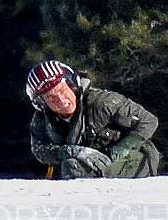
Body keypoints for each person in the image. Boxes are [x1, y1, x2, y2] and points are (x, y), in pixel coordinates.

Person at [26, 60, 160, 179]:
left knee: (72, 167)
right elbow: (40, 150)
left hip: (133, 161)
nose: (61, 100)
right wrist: (73, 151)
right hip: (84, 166)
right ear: (41, 103)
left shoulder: (103, 102)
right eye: (50, 97)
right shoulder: (42, 119)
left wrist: (119, 150)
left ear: (72, 84)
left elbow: (148, 121)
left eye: (62, 90)